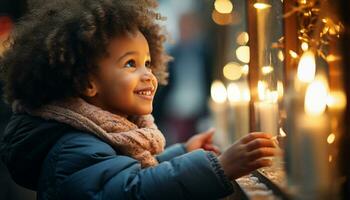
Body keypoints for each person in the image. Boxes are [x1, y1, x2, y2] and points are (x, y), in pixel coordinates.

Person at [0, 0, 277, 199]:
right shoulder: (75, 146)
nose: (149, 75)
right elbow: (133, 190)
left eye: (147, 62)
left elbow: (123, 172)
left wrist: (182, 152)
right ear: (87, 82)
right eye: (130, 64)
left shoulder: (99, 134)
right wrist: (219, 167)